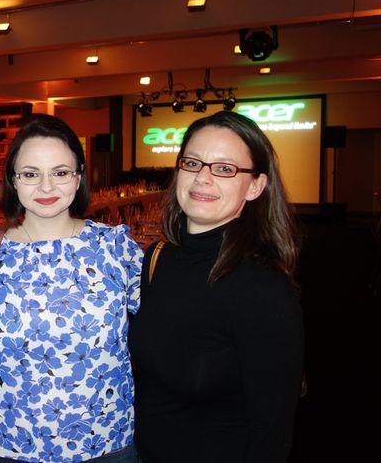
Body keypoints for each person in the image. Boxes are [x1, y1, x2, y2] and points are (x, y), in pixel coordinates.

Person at [128, 111, 304, 463]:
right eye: (193, 163)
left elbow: (272, 429)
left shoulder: (261, 287)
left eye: (224, 169)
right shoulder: (158, 260)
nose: (202, 178)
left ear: (255, 186)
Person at [0, 114, 143, 463]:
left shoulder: (115, 248)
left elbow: (166, 332)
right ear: (13, 181)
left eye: (60, 173)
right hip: (4, 443)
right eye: (31, 174)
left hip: (104, 444)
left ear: (79, 177)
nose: (46, 187)